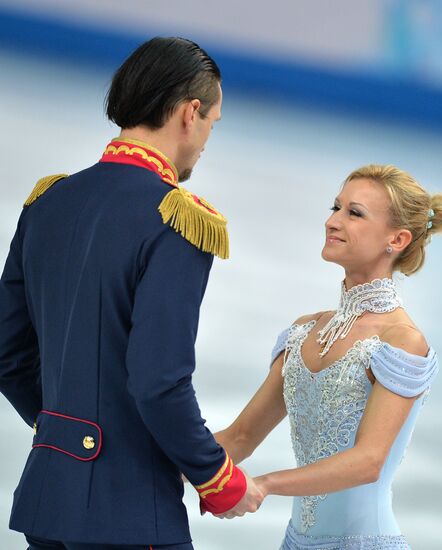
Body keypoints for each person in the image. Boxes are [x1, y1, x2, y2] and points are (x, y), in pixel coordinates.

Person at [0, 37, 263, 550]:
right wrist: (220, 478)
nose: (208, 138)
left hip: (47, 500)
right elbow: (158, 382)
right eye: (212, 122)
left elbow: (7, 356)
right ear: (190, 113)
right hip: (128, 512)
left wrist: (68, 435)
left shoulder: (49, 202)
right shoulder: (176, 220)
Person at [214, 164, 442, 549]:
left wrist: (266, 484)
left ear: (398, 239)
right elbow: (239, 437)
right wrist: (164, 463)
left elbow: (368, 462)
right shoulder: (303, 332)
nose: (332, 221)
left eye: (354, 213)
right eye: (335, 207)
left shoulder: (401, 342)